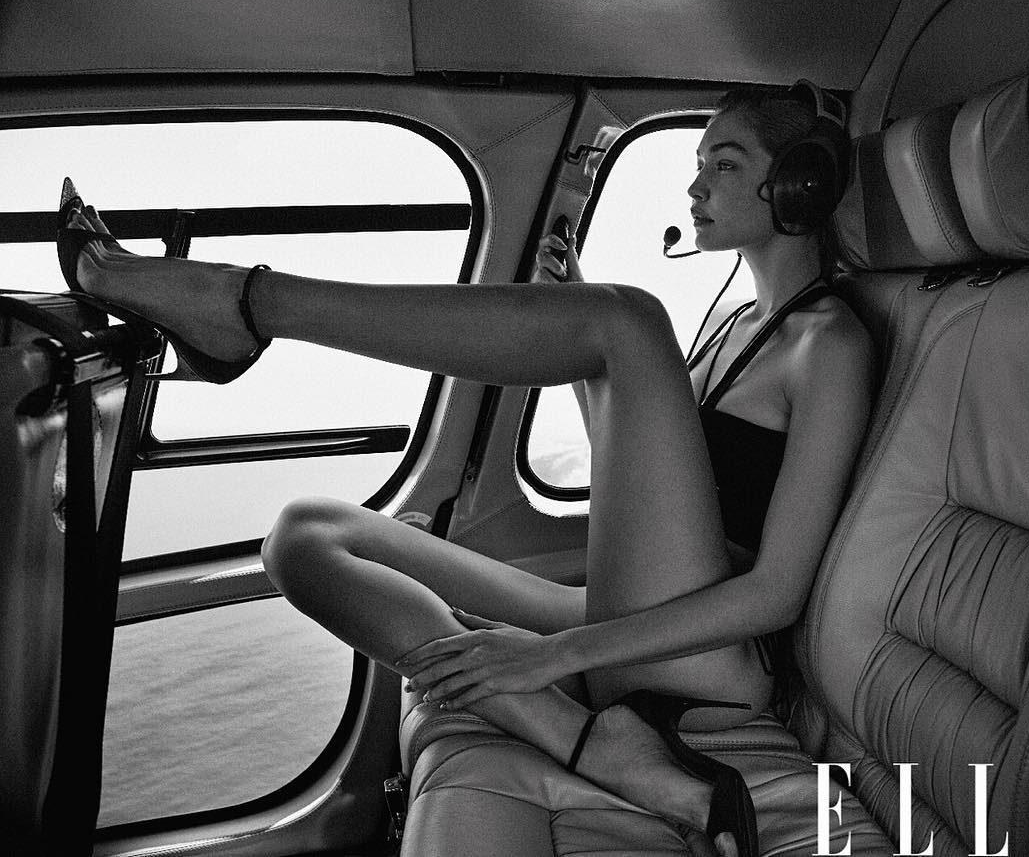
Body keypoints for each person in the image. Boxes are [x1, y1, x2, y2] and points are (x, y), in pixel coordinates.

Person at [57, 83, 874, 857]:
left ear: (797, 188)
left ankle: (244, 304)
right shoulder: (731, 322)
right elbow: (640, 490)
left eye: (724, 164)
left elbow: (776, 594)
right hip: (625, 610)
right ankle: (589, 745)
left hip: (711, 663)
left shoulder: (830, 344)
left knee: (627, 319)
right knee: (305, 535)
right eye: (697, 164)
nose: (695, 187)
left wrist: (558, 655)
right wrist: (588, 355)